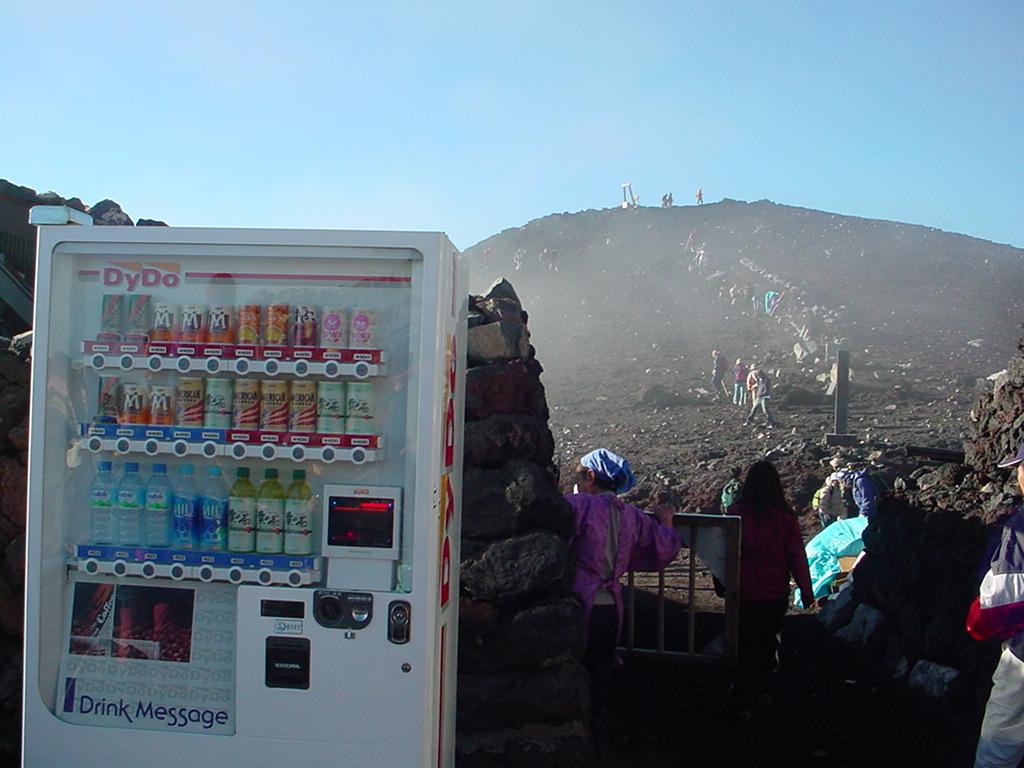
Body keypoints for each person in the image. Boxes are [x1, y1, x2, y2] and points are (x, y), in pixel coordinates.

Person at [566, 448, 682, 728]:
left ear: (590, 476)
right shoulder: (633, 516)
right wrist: (666, 523)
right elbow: (663, 549)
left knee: (573, 665)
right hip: (611, 609)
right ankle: (598, 721)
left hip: (580, 603)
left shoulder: (579, 506)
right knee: (601, 668)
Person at [725, 460, 814, 718]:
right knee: (767, 642)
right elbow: (797, 556)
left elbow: (724, 555)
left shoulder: (735, 514)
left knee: (744, 642)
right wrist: (806, 591)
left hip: (742, 592)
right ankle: (763, 690)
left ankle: (742, 695)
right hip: (774, 593)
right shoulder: (786, 518)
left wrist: (723, 585)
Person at [967, 443, 1024, 768]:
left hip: (1023, 657)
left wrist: (978, 620)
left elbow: (1003, 600)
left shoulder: (1021, 527)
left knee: (1000, 742)